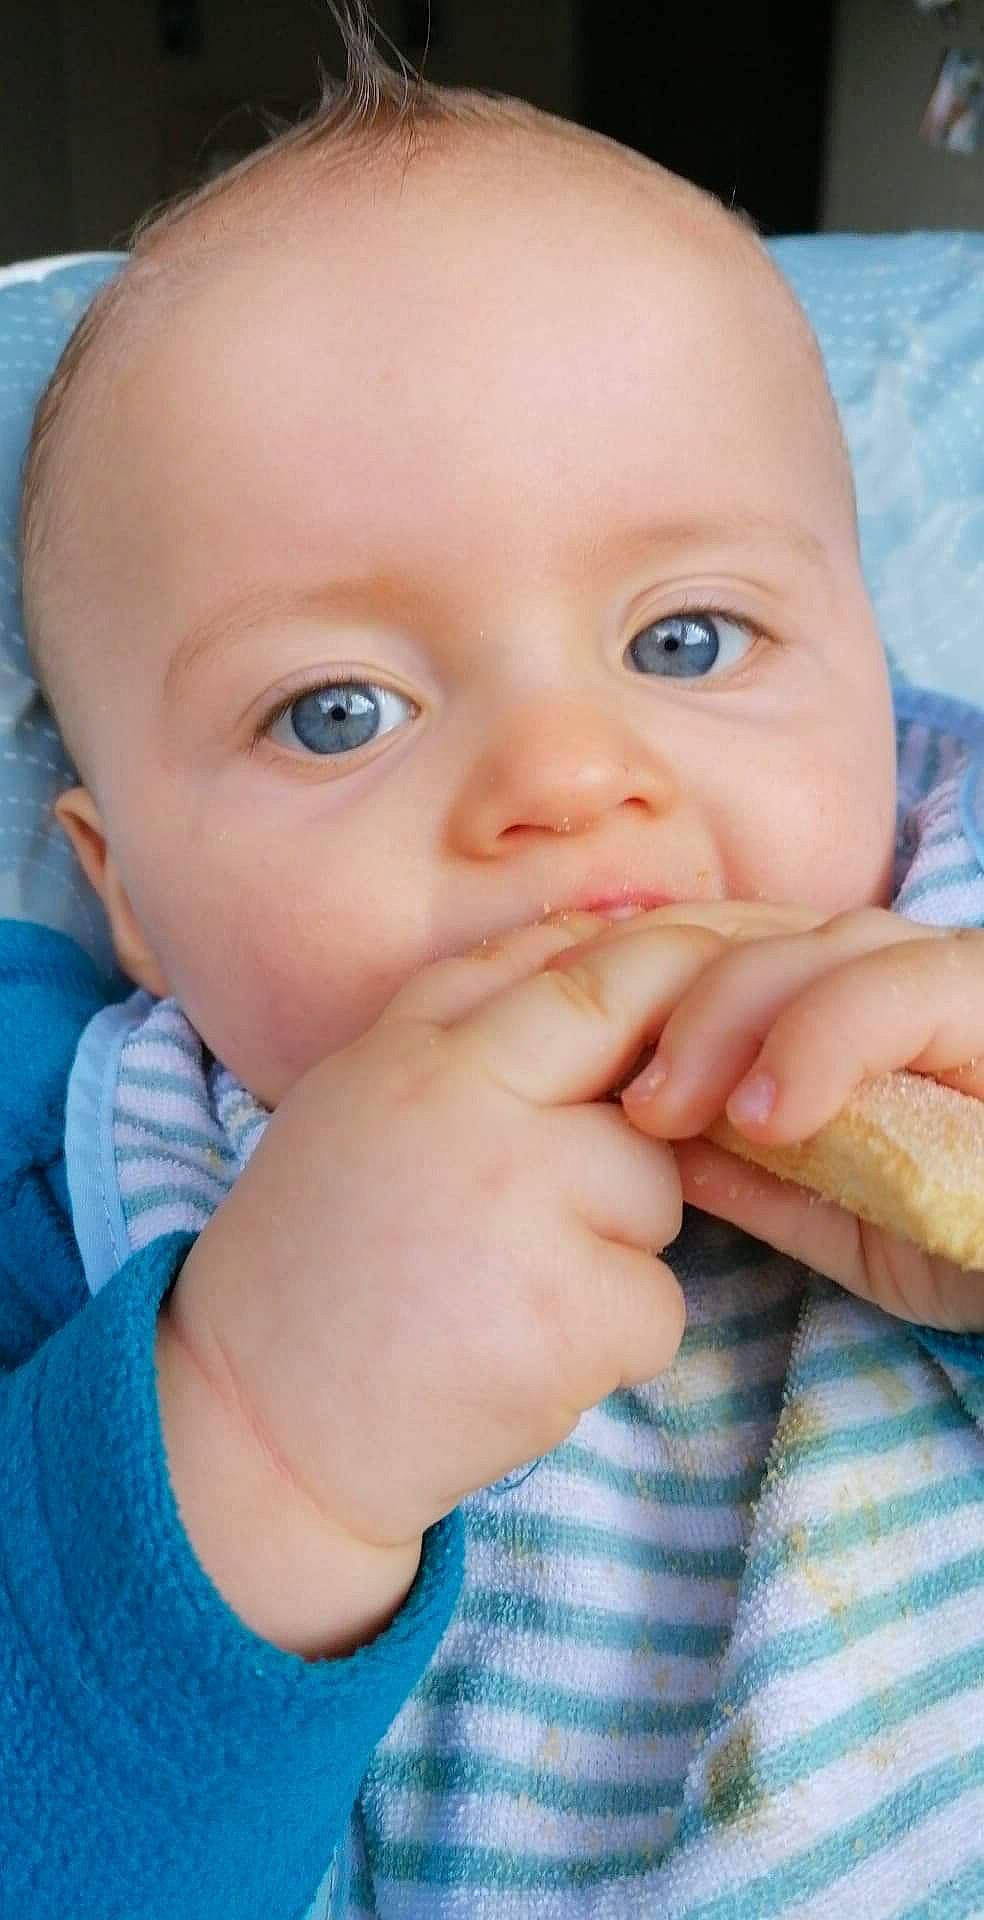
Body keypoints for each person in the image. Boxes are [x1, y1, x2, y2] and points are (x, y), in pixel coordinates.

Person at [4, 5, 983, 1915]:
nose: (564, 780)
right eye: (339, 710)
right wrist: (251, 1449)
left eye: (688, 641)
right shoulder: (69, 1191)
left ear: (886, 687)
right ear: (132, 898)